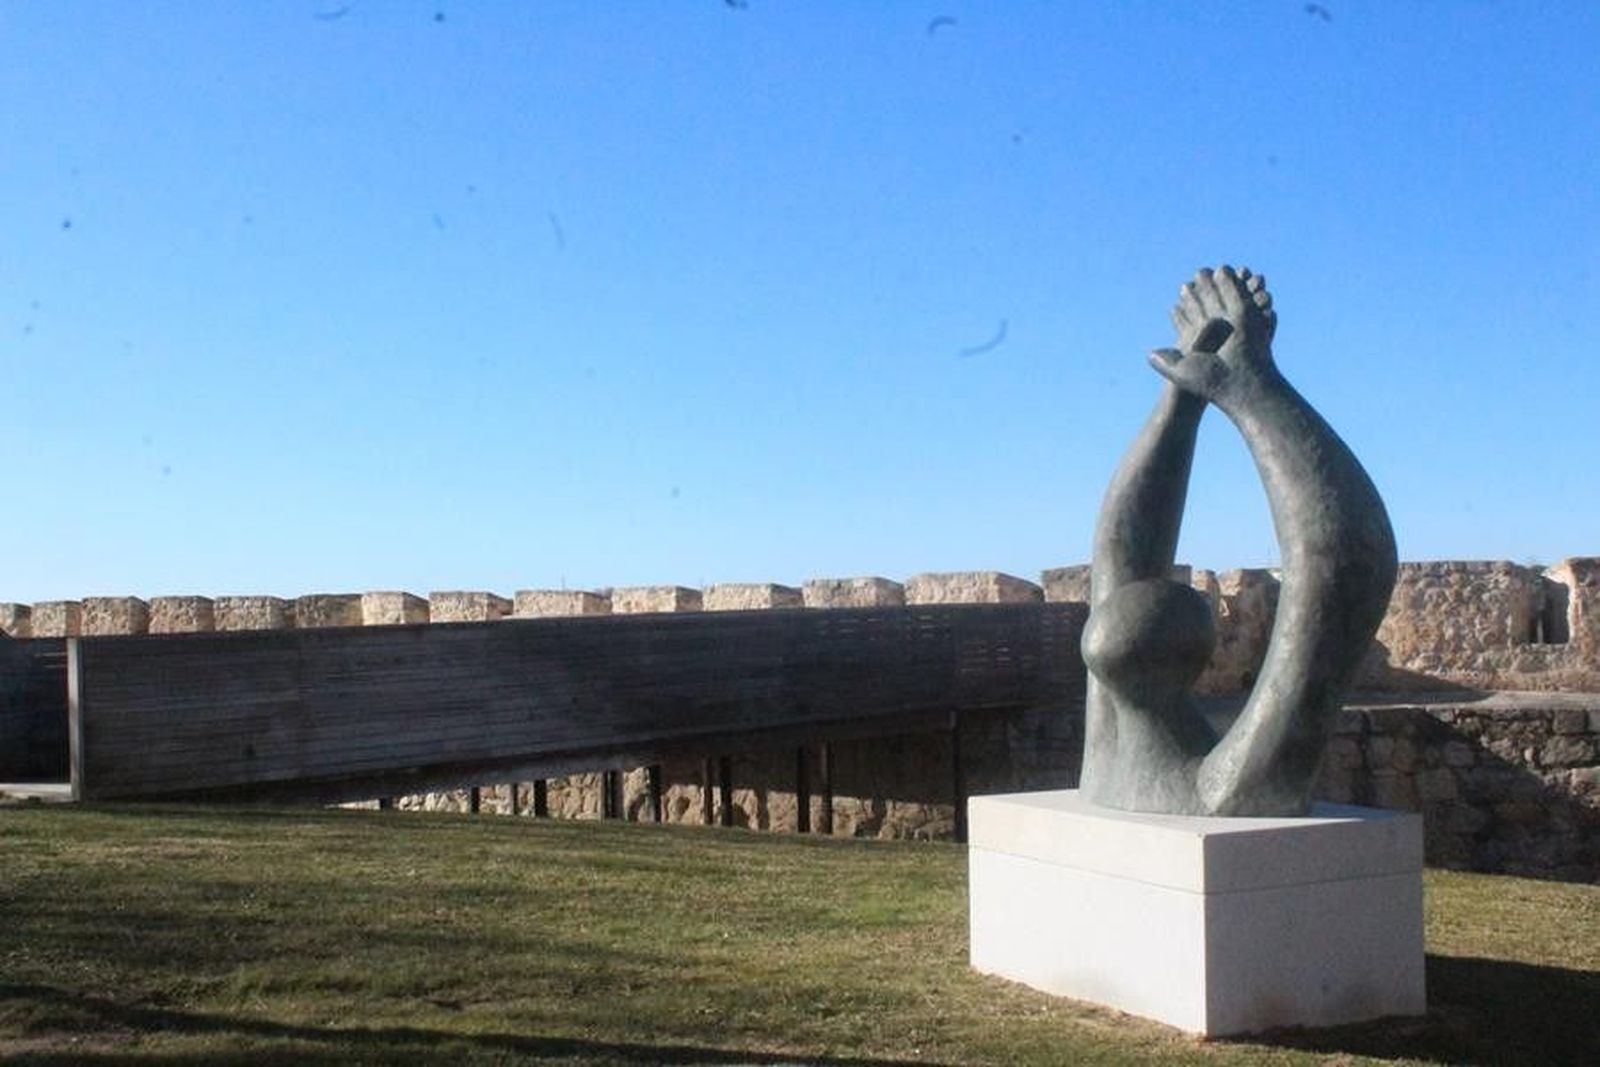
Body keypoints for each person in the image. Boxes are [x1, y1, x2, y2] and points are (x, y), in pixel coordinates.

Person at [1081, 266, 1397, 816]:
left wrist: (1244, 391)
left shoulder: (1224, 786)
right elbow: (1121, 547)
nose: (1123, 594)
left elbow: (1344, 566)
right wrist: (1194, 400)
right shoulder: (1127, 756)